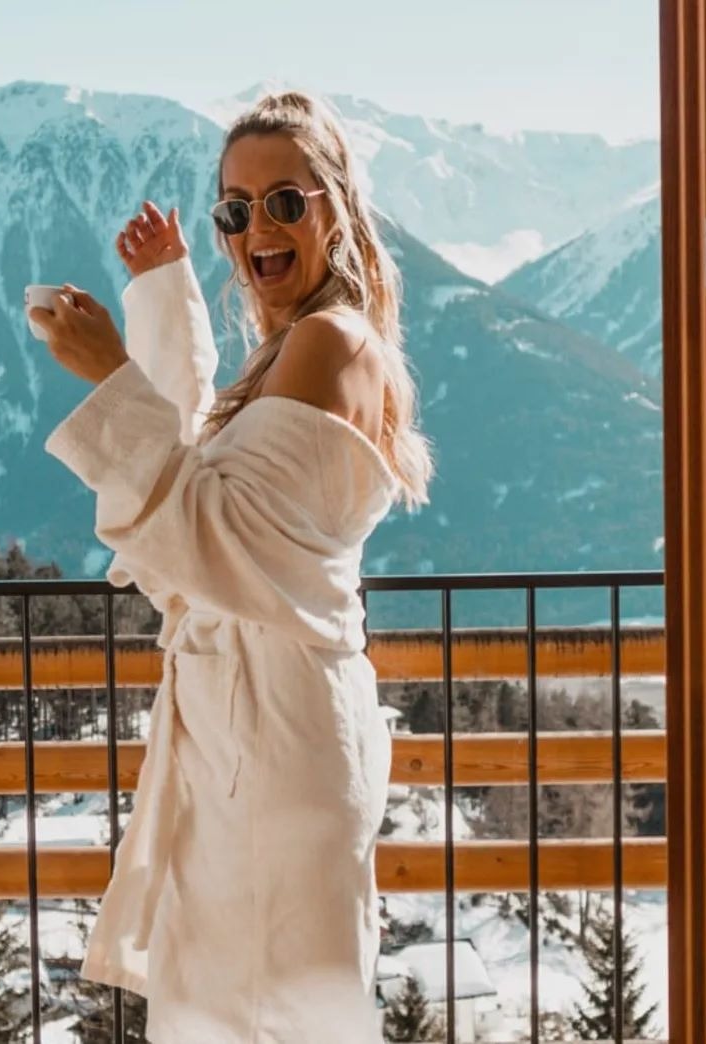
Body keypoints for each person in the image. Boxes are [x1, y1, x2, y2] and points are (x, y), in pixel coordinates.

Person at [30, 90, 433, 1041]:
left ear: (335, 210)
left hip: (276, 738)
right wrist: (163, 293)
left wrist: (111, 375)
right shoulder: (289, 349)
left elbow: (206, 535)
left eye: (284, 201)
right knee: (236, 1005)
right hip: (247, 730)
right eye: (235, 210)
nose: (257, 229)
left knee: (270, 1009)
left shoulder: (330, 342)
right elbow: (196, 490)